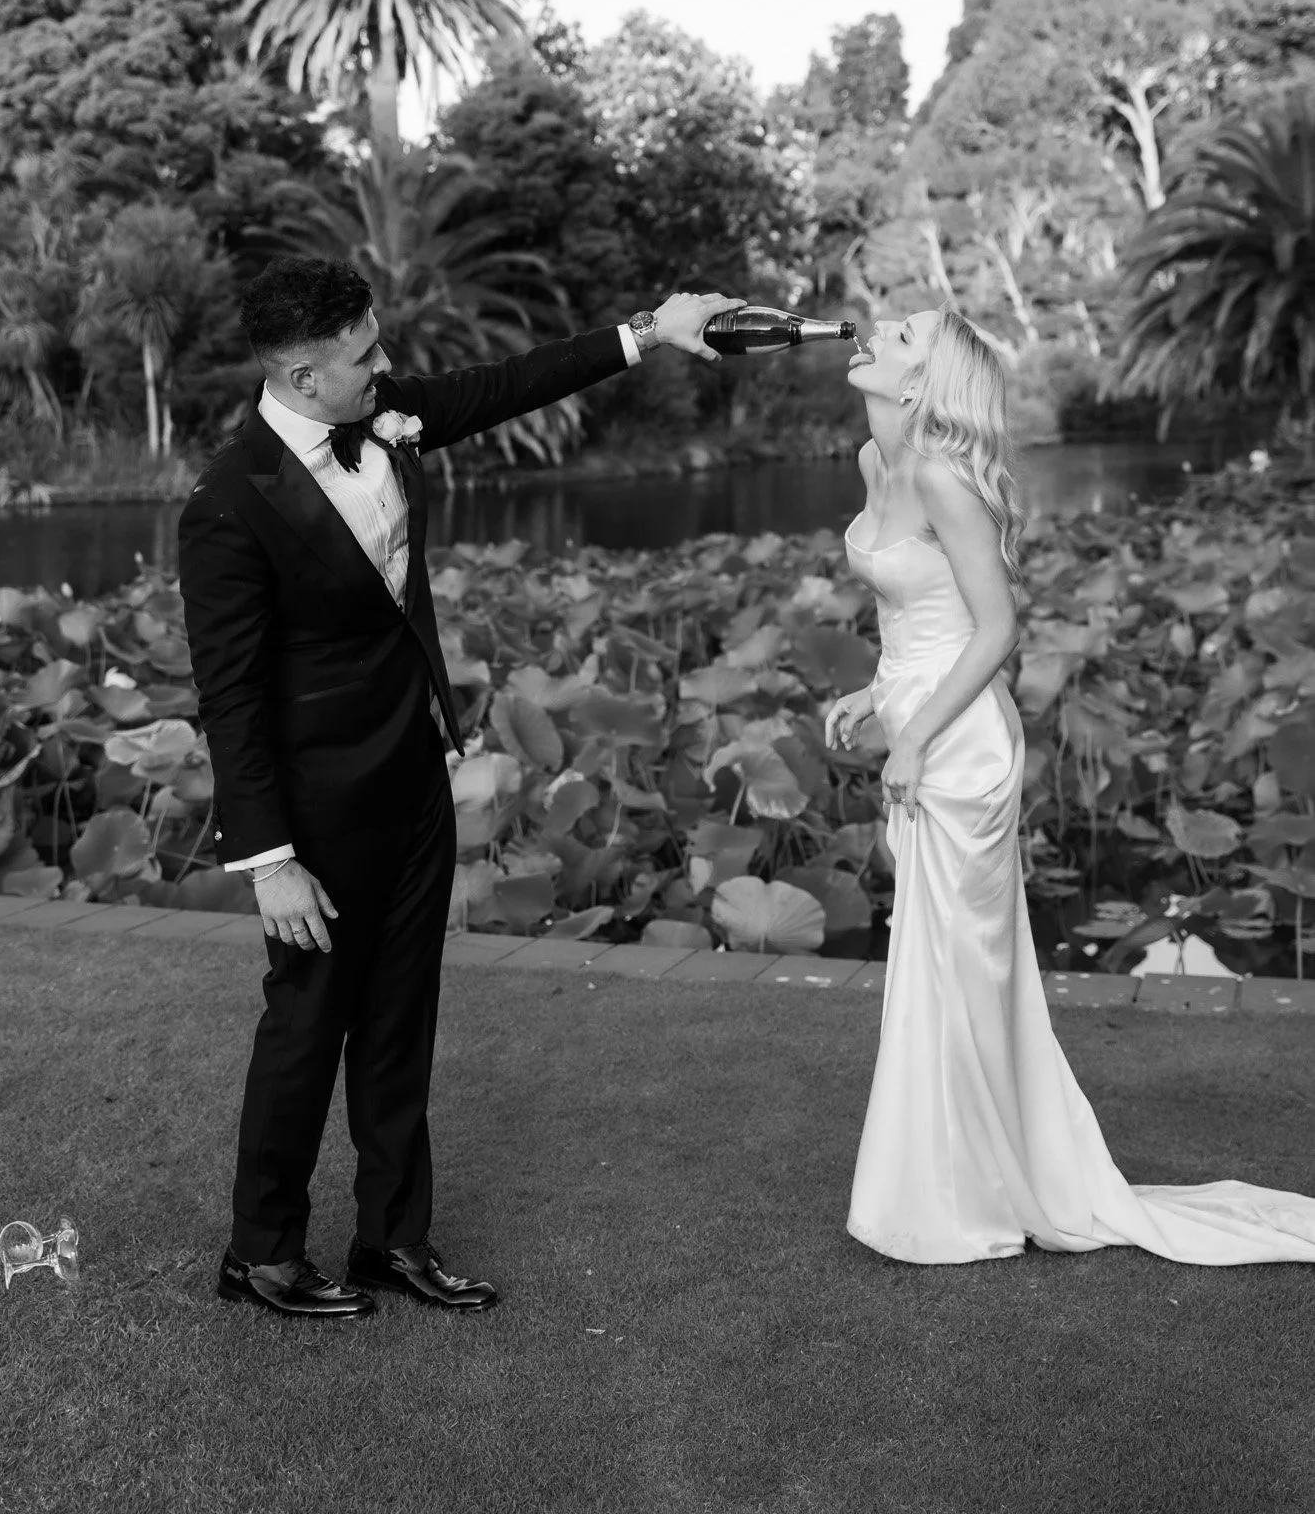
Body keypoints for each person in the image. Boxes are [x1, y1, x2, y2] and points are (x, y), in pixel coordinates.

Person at [179, 258, 741, 1321]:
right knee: (306, 1028)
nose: (387, 367)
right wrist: (269, 859)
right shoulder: (226, 505)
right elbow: (232, 697)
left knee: (401, 1020)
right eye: (364, 356)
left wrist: (649, 331)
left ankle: (395, 1237)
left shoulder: (382, 412)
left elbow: (500, 385)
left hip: (411, 778)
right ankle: (261, 1251)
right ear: (302, 375)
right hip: (312, 813)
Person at [825, 305, 1315, 1265]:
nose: (878, 329)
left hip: (960, 745)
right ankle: (954, 1179)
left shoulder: (937, 474)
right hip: (917, 716)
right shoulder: (873, 463)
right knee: (932, 964)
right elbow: (918, 618)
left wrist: (915, 735)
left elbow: (997, 628)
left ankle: (987, 1190)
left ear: (925, 383)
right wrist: (871, 694)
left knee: (963, 970)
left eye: (907, 335)